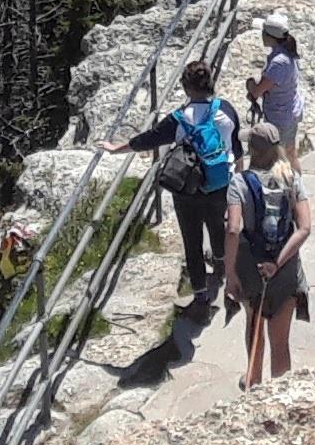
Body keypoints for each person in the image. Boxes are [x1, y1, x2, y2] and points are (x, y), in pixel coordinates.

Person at [97, 59, 240, 310]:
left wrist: (115, 149)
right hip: (220, 182)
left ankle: (200, 296)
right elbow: (236, 149)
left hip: (189, 189)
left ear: (186, 88)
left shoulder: (178, 119)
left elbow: (147, 140)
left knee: (191, 240)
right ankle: (222, 267)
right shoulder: (226, 110)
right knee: (218, 226)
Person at [222, 121, 311, 389]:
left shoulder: (239, 183)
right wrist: (279, 262)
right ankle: (280, 392)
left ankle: (254, 381)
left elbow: (234, 229)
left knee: (255, 327)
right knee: (280, 341)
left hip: (252, 267)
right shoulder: (292, 178)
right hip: (284, 269)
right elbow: (304, 228)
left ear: (251, 148)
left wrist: (230, 275)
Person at [245, 11, 304, 167]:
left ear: (269, 36)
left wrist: (250, 84)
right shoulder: (287, 55)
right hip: (289, 111)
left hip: (279, 117)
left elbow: (257, 91)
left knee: (279, 160)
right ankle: (297, 187)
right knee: (290, 154)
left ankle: (286, 189)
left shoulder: (278, 62)